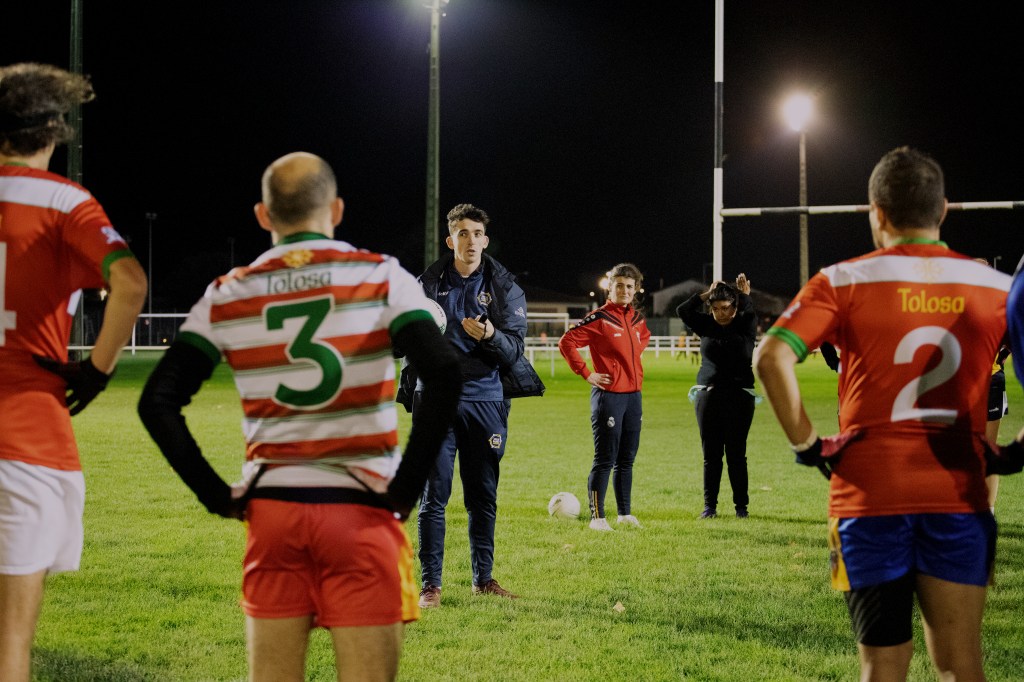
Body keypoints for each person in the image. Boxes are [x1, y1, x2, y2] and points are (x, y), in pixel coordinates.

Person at [137, 152, 462, 682]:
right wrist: (404, 489)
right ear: (335, 209)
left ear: (264, 216)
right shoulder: (382, 277)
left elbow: (157, 400)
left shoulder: (229, 291)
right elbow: (444, 372)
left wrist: (216, 495)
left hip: (274, 514)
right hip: (361, 511)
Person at [754, 146, 1011, 681]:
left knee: (882, 667)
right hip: (958, 497)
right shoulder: (997, 287)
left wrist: (807, 444)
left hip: (867, 499)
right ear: (943, 211)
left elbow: (771, 356)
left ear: (877, 213)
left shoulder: (842, 280)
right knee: (962, 665)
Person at [0, 63, 148, 682]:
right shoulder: (64, 201)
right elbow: (130, 281)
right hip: (26, 435)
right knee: (11, 652)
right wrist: (96, 371)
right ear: (54, 134)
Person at [408, 202, 544, 609]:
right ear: (451, 240)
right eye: (462, 233)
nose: (470, 241)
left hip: (485, 399)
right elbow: (397, 340)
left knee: (483, 495)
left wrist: (489, 335)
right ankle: (431, 585)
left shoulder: (504, 287)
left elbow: (515, 350)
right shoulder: (425, 286)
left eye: (477, 234)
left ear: (486, 240)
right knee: (434, 495)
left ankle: (483, 579)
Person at [558, 263, 651, 531]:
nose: (624, 290)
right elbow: (567, 342)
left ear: (635, 290)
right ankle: (598, 518)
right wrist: (587, 372)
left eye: (629, 286)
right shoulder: (599, 318)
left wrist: (626, 365)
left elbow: (642, 339)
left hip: (634, 397)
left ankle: (624, 513)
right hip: (608, 397)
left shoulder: (636, 320)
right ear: (610, 288)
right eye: (619, 285)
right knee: (605, 459)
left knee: (627, 458)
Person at [676, 274, 758, 519]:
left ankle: (741, 508)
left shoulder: (745, 323)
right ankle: (709, 507)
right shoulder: (705, 325)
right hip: (708, 396)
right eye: (715, 309)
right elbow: (682, 310)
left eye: (726, 308)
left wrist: (743, 296)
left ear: (734, 306)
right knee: (711, 455)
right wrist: (706, 294)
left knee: (736, 454)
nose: (721, 313)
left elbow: (749, 310)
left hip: (740, 397)